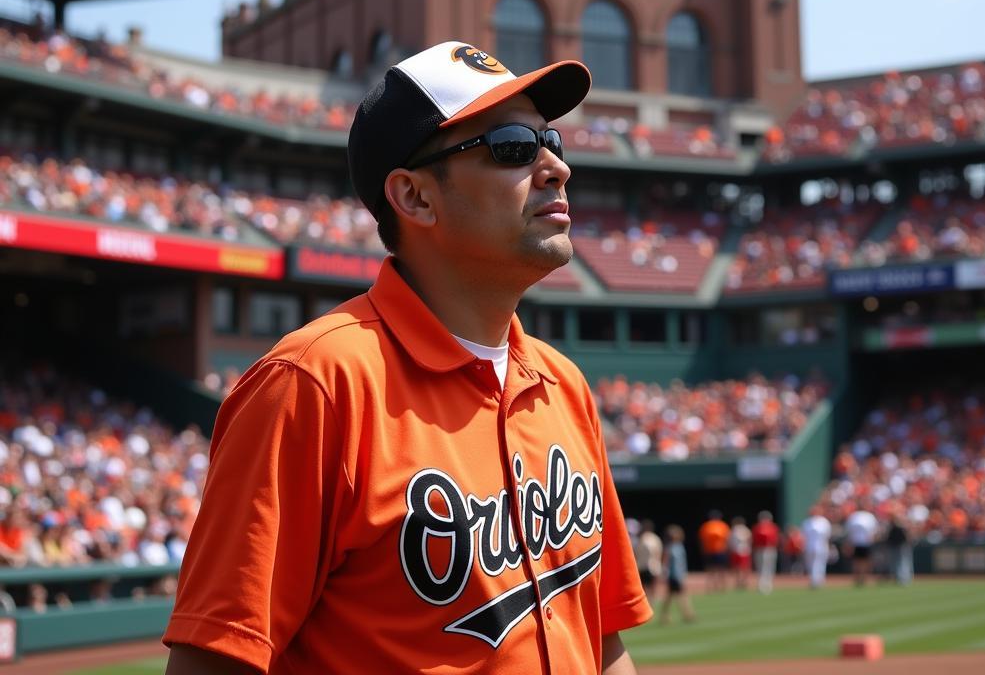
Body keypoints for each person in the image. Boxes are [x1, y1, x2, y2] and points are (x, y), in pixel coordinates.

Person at [163, 42, 652, 674]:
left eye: (552, 140)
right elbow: (214, 662)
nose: (555, 167)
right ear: (415, 198)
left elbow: (604, 641)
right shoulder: (314, 383)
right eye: (512, 147)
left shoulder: (564, 383)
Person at [659, 526, 696, 624]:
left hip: (678, 575)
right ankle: (688, 614)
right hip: (673, 576)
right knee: (681, 595)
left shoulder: (679, 546)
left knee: (670, 597)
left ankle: (664, 616)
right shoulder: (671, 548)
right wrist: (665, 574)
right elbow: (667, 563)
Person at [845, 506, 879, 587]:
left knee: (866, 562)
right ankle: (857, 578)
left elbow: (875, 530)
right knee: (857, 561)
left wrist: (873, 538)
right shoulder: (854, 516)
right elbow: (849, 530)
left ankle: (864, 578)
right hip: (856, 542)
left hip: (866, 543)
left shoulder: (869, 516)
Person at [698, 510, 730, 591]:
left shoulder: (722, 526)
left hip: (719, 550)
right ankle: (713, 586)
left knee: (719, 569)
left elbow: (727, 539)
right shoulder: (707, 526)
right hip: (712, 551)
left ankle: (720, 586)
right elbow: (702, 539)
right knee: (713, 569)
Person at [801, 506, 832, 589]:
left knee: (820, 564)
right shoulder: (807, 522)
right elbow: (804, 536)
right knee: (810, 564)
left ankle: (819, 581)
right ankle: (813, 580)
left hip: (821, 546)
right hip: (809, 546)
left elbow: (827, 536)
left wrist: (828, 547)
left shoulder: (824, 522)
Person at [752, 510, 780, 594]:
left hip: (770, 549)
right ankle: (762, 585)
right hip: (761, 549)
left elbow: (776, 538)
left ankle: (768, 585)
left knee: (770, 567)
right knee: (762, 568)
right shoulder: (759, 527)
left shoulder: (772, 527)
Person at [634, 519, 663, 597]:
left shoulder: (641, 538)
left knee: (643, 588)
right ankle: (650, 604)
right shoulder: (655, 539)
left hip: (642, 566)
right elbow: (659, 552)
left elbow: (636, 553)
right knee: (651, 589)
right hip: (652, 566)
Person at [885, 517, 913, 585]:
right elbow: (888, 539)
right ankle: (899, 579)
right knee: (897, 564)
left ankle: (904, 579)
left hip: (901, 548)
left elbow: (906, 539)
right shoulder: (892, 528)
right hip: (895, 548)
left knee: (902, 563)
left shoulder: (901, 528)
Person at [728, 516, 752, 590]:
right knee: (744, 568)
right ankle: (743, 582)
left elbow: (730, 542)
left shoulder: (734, 530)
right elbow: (750, 540)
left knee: (737, 568)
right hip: (744, 551)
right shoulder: (746, 530)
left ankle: (739, 582)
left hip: (737, 551)